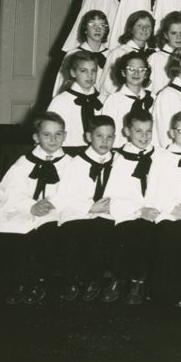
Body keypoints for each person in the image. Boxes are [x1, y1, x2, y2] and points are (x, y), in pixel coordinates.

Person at [0, 112, 71, 305]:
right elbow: (10, 190)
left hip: (54, 211)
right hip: (25, 209)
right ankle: (18, 282)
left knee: (45, 233)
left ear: (65, 136)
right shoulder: (24, 162)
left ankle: (38, 282)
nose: (53, 139)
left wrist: (50, 204)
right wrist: (31, 206)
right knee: (13, 232)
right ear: (36, 137)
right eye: (47, 135)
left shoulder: (70, 164)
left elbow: (73, 190)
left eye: (58, 134)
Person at [55, 115, 118, 303]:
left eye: (109, 137)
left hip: (107, 212)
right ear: (88, 137)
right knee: (74, 232)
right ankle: (72, 280)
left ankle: (94, 280)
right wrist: (89, 207)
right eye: (99, 136)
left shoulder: (119, 161)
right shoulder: (76, 163)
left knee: (104, 231)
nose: (105, 141)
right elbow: (65, 195)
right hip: (79, 211)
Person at [145, 109, 181, 308]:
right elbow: (153, 192)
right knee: (172, 236)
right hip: (167, 215)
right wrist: (171, 210)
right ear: (171, 133)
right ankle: (164, 292)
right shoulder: (160, 158)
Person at [107, 109, 159, 305]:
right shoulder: (120, 159)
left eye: (148, 131)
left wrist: (151, 209)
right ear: (127, 132)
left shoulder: (160, 156)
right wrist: (138, 211)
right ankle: (119, 278)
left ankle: (138, 281)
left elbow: (164, 187)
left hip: (154, 210)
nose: (144, 136)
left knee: (147, 232)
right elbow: (116, 193)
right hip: (127, 211)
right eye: (138, 131)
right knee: (126, 231)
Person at [48, 50, 103, 146]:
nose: (89, 75)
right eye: (83, 71)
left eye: (93, 71)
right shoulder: (60, 101)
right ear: (73, 73)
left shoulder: (103, 100)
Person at [101, 51, 156, 147]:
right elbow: (108, 132)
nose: (136, 73)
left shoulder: (153, 98)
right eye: (131, 69)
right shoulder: (114, 100)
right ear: (123, 72)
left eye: (141, 69)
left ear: (146, 74)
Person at [99, 10, 154, 98]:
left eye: (148, 26)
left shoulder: (154, 55)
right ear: (131, 29)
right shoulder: (119, 53)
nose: (144, 29)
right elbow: (107, 87)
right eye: (139, 25)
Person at [53, 10, 109, 94]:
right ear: (85, 29)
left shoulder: (111, 55)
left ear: (105, 29)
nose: (98, 29)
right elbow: (61, 84)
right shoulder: (73, 54)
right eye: (93, 25)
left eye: (102, 25)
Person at [148, 10, 181, 92]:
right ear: (166, 35)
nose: (179, 37)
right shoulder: (155, 58)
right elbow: (147, 89)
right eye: (173, 33)